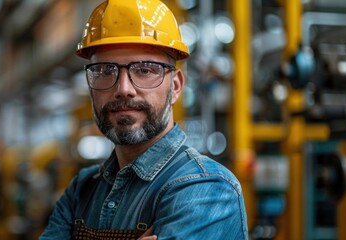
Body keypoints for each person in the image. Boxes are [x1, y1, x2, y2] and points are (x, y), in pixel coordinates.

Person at [40, 0, 248, 239]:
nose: (124, 89)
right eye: (106, 71)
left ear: (176, 86)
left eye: (145, 70)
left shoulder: (206, 190)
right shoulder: (82, 189)